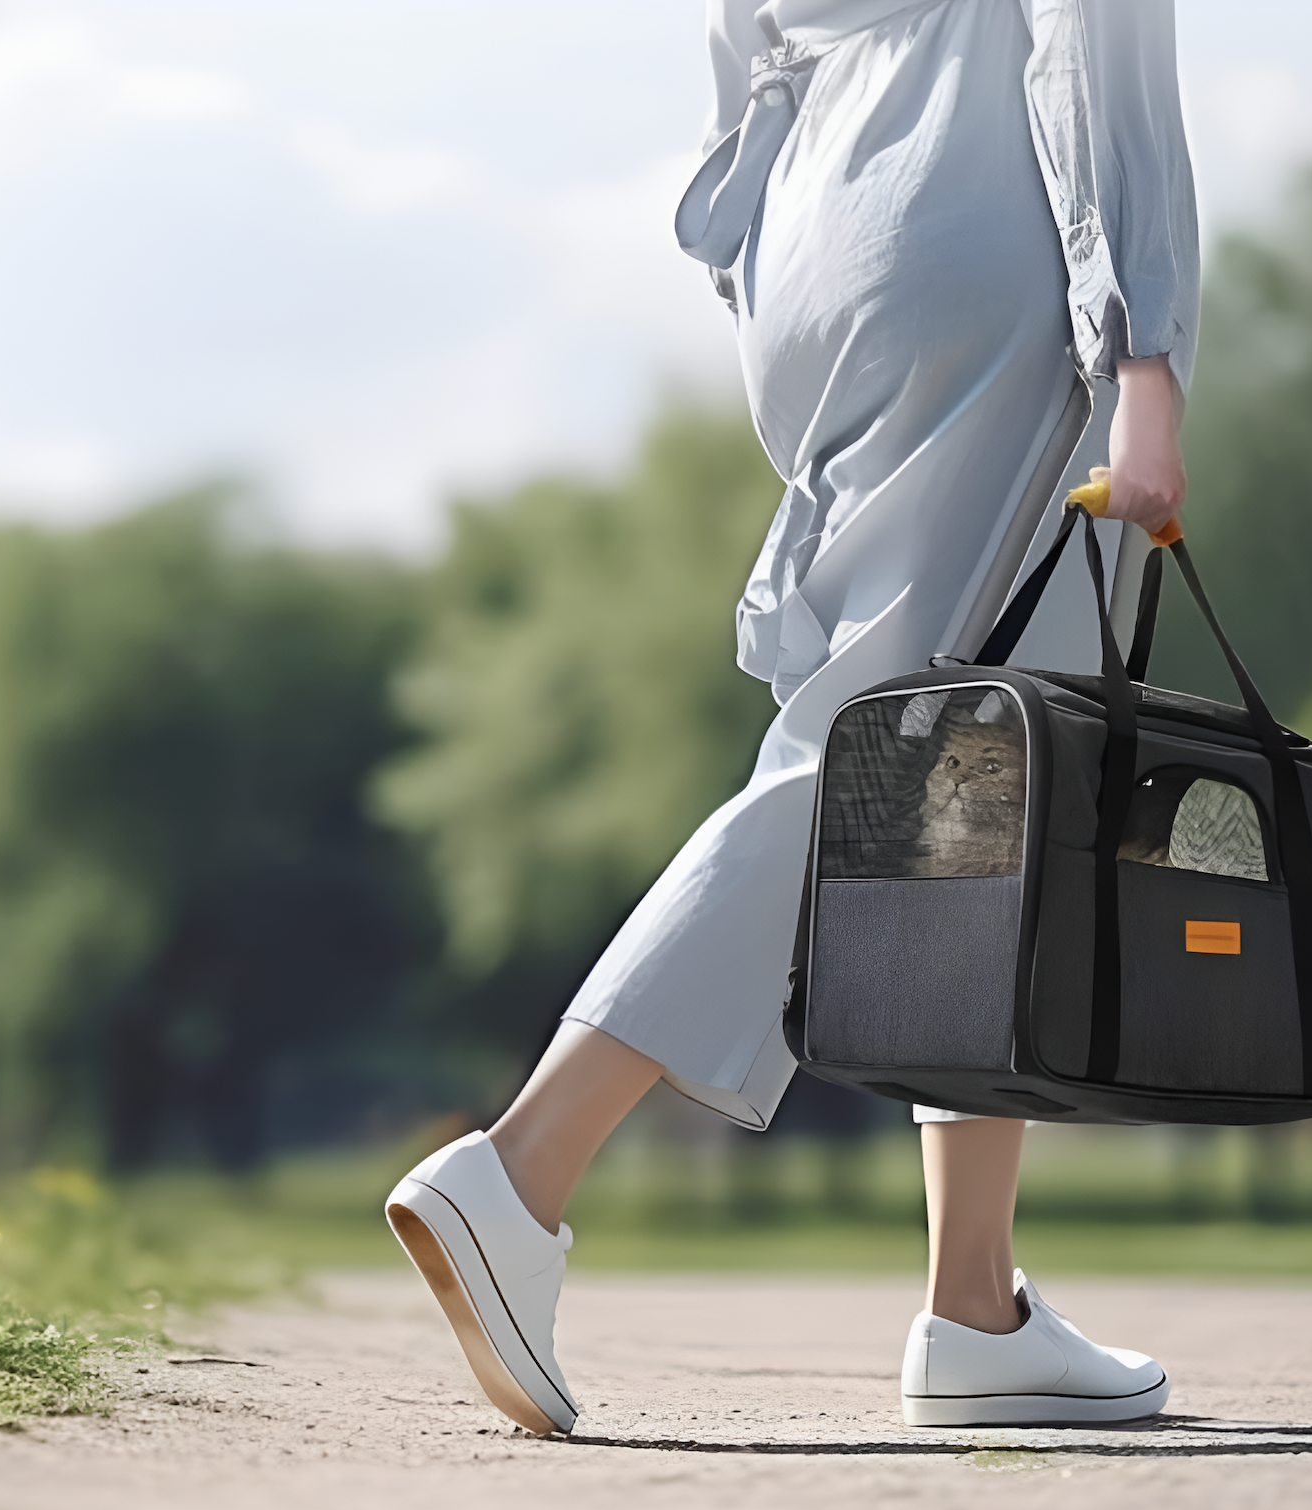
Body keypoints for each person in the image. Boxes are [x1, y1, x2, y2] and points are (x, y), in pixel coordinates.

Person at [385, 0, 1199, 1435]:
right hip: (977, 204)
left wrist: (791, 256)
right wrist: (1144, 349)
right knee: (876, 751)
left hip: (821, 215)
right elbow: (1092, 29)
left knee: (972, 787)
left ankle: (976, 1302)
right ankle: (522, 1166)